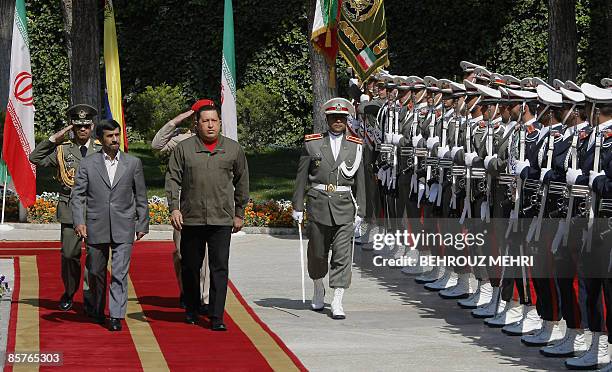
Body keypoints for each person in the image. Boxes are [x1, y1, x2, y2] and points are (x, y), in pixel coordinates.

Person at [165, 103, 249, 330]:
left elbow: (242, 181)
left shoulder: (233, 149)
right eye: (205, 121)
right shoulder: (184, 149)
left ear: (220, 123)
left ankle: (216, 316)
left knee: (219, 268)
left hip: (221, 219)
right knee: (190, 266)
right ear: (197, 124)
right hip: (191, 218)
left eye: (214, 121)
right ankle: (192, 309)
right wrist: (174, 207)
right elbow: (172, 178)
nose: (210, 125)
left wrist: (239, 212)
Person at [70, 119, 149, 331]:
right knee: (95, 271)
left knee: (119, 272)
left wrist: (142, 222)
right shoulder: (88, 163)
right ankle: (96, 307)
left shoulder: (133, 163)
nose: (115, 139)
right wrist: (79, 221)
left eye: (117, 135)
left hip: (124, 226)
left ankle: (116, 315)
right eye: (110, 136)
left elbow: (141, 195)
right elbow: (77, 196)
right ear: (100, 139)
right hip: (96, 226)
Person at [292, 97, 366, 320]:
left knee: (342, 255)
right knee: (317, 252)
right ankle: (317, 286)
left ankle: (337, 299)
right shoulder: (312, 143)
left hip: (344, 206)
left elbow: (361, 181)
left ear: (346, 120)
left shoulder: (356, 145)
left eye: (342, 118)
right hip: (318, 203)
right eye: (334, 117)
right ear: (327, 119)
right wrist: (297, 205)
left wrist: (361, 210)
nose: (337, 121)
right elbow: (301, 177)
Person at [29, 104, 101, 312]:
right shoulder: (62, 150)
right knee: (69, 254)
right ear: (72, 127)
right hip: (70, 209)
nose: (82, 130)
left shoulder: (100, 148)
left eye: (86, 125)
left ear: (92, 126)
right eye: (78, 126)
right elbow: (35, 158)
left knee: (95, 257)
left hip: (95, 209)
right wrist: (54, 138)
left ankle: (91, 298)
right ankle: (69, 291)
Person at [151, 99, 212, 311]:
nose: (206, 123)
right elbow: (156, 145)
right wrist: (177, 120)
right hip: (185, 204)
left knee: (205, 255)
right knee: (181, 253)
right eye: (199, 117)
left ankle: (203, 298)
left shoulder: (218, 140)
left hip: (209, 204)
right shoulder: (183, 140)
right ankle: (186, 290)